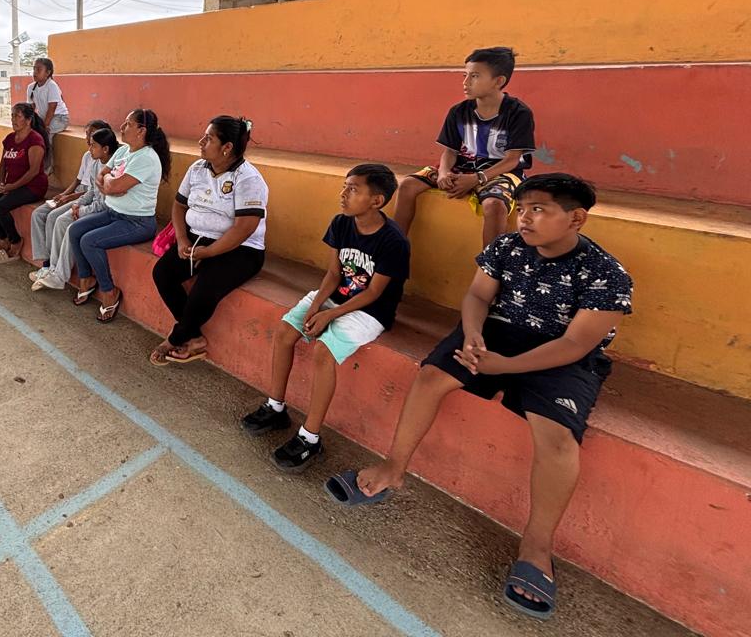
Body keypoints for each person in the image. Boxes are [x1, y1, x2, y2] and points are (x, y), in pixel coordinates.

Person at [327, 174, 632, 622]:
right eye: (521, 208)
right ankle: (393, 469)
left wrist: (505, 367)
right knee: (431, 377)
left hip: (561, 355)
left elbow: (576, 344)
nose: (524, 218)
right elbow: (476, 294)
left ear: (576, 218)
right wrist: (471, 334)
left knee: (557, 438)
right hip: (494, 333)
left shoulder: (606, 273)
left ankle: (536, 546)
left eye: (538, 210)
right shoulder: (506, 247)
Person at [240, 164, 408, 471]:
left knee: (323, 351)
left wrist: (331, 314)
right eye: (345, 186)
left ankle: (310, 437)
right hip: (335, 296)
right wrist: (316, 305)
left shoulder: (393, 241)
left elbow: (374, 292)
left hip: (370, 310)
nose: (343, 194)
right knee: (285, 330)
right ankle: (276, 407)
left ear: (377, 201)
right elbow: (333, 273)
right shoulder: (341, 223)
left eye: (353, 189)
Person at [149, 116, 268, 366]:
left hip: (241, 248)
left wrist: (210, 253)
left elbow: (244, 228)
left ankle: (176, 338)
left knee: (204, 290)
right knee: (163, 273)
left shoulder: (249, 179)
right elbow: (179, 206)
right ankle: (194, 337)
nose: (201, 142)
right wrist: (182, 239)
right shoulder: (197, 168)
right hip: (197, 239)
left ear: (227, 147)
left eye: (209, 138)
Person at [394, 46, 536, 248]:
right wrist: (444, 173)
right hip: (463, 168)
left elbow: (512, 160)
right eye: (465, 75)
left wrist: (477, 179)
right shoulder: (458, 111)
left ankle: (490, 265)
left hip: (501, 172)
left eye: (475, 76)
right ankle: (394, 250)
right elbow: (450, 151)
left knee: (495, 205)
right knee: (408, 185)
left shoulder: (518, 113)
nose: (465, 82)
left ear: (498, 81)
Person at [67, 109, 170, 322]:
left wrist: (112, 184)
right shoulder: (124, 151)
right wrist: (111, 184)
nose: (121, 128)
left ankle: (109, 292)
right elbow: (102, 176)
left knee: (89, 241)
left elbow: (112, 184)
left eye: (128, 124)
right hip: (113, 211)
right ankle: (86, 279)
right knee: (75, 230)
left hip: (137, 222)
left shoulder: (147, 158)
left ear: (141, 130)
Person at [31, 124, 118, 291]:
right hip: (90, 205)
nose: (89, 148)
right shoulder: (96, 163)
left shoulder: (112, 168)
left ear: (105, 149)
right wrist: (78, 204)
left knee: (70, 226)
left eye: (93, 145)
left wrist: (82, 209)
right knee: (58, 219)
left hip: (104, 211)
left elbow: (104, 203)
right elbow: (91, 191)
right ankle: (52, 269)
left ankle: (59, 275)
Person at [0, 102, 49, 263]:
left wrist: (12, 187)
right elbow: (3, 165)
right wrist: (2, 183)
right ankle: (4, 240)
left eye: (17, 116)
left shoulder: (35, 140)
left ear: (28, 120)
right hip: (11, 185)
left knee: (0, 206)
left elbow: (33, 171)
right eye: (12, 116)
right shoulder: (10, 138)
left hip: (33, 187)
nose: (13, 120)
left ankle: (16, 241)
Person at [26, 57, 69, 174]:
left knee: (45, 135)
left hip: (60, 118)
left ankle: (47, 168)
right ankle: (32, 164)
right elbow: (31, 108)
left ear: (48, 72)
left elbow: (52, 108)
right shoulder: (31, 87)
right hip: (43, 118)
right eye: (34, 69)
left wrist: (44, 126)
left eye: (39, 69)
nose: (35, 72)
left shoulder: (52, 86)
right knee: (29, 135)